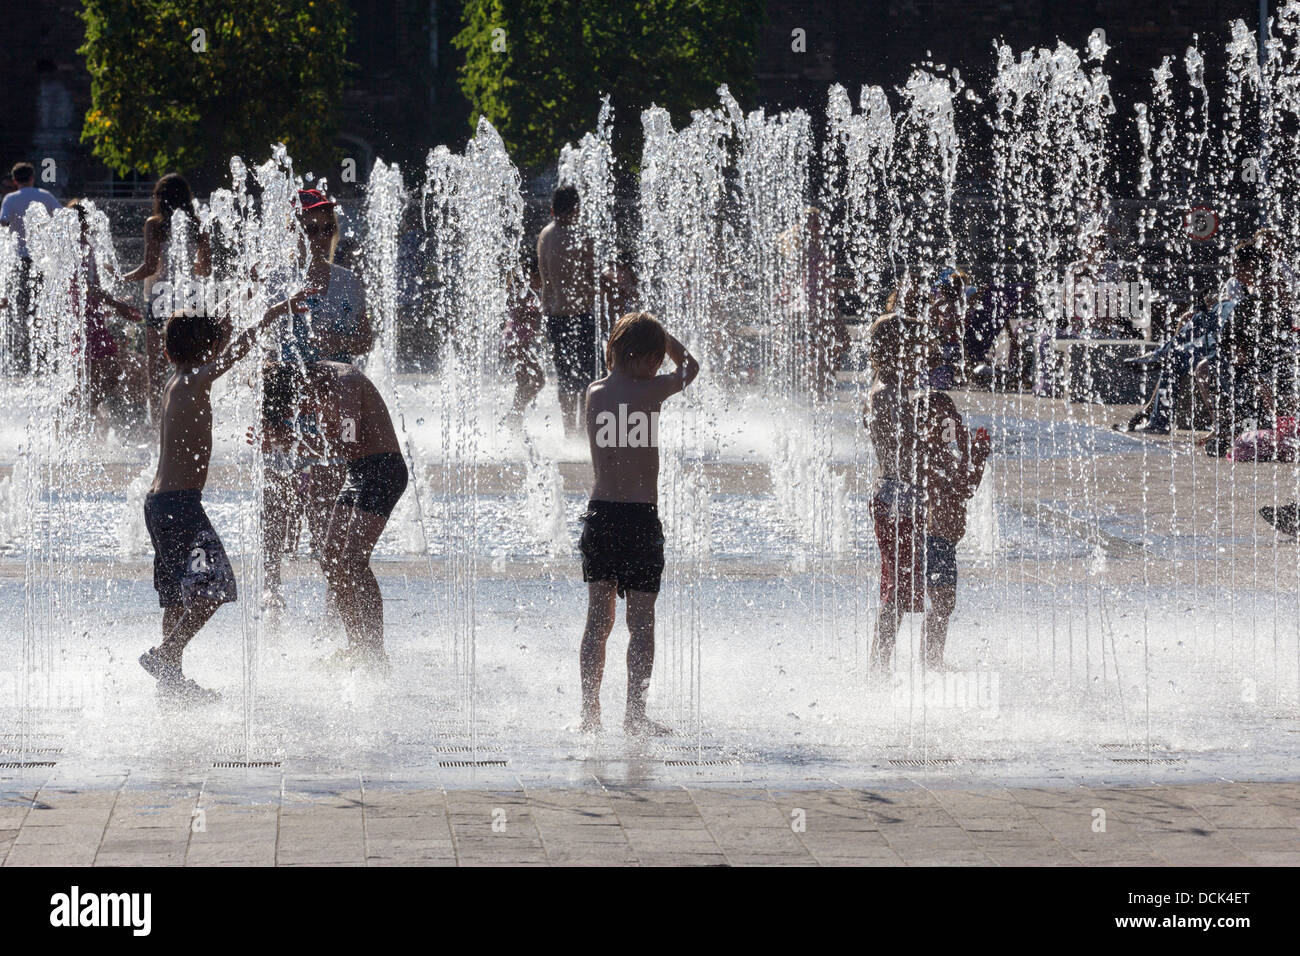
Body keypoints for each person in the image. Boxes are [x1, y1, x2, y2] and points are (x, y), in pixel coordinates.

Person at [137, 296, 305, 700]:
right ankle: (168, 653)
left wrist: (237, 304)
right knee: (217, 584)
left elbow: (224, 339)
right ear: (208, 350)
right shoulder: (195, 380)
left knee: (179, 592)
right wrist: (276, 311)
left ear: (166, 349)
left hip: (160, 505)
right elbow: (237, 350)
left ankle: (172, 682)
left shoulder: (176, 381)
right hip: (180, 507)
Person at [579, 311, 699, 735]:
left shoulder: (593, 392)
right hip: (640, 518)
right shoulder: (653, 391)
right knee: (641, 623)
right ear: (651, 357)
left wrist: (638, 344)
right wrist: (665, 337)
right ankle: (634, 714)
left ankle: (589, 714)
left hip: (601, 516)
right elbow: (691, 368)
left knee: (598, 620)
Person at [260, 188, 372, 610]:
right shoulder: (278, 281)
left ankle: (331, 582)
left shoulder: (346, 281)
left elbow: (366, 336)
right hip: (287, 398)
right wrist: (269, 404)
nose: (320, 236)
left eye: (327, 228)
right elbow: (264, 346)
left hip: (334, 404)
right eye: (311, 229)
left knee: (327, 496)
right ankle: (271, 581)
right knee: (278, 492)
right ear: (296, 232)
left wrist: (336, 339)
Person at [273, 361, 407, 668]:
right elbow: (335, 448)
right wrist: (285, 439)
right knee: (330, 559)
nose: (304, 408)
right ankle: (357, 644)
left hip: (383, 470)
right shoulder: (319, 385)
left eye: (301, 400)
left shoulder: (344, 382)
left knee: (354, 561)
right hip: (358, 472)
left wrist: (291, 440)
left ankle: (375, 652)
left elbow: (344, 443)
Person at [121, 173, 212, 420]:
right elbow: (206, 269)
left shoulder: (154, 224)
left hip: (159, 298)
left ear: (160, 197)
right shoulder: (199, 224)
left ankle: (158, 428)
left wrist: (122, 278)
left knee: (156, 368)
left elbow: (149, 267)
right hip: (190, 300)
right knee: (190, 364)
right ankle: (188, 418)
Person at [912, 390, 991, 668]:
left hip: (943, 539)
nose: (954, 421)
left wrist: (978, 457)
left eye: (954, 415)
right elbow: (955, 487)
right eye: (947, 416)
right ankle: (930, 661)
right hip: (933, 538)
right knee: (942, 602)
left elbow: (966, 490)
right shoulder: (925, 455)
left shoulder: (944, 454)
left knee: (944, 604)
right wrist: (971, 452)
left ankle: (932, 659)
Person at [864, 311, 924, 670]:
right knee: (898, 589)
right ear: (895, 350)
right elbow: (903, 447)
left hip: (897, 496)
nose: (917, 355)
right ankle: (879, 665)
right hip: (895, 498)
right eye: (912, 348)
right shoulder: (887, 394)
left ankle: (880, 663)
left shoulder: (888, 389)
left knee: (898, 586)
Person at [67, 200, 145, 418]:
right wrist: (117, 305)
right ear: (83, 221)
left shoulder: (81, 244)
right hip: (86, 320)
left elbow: (85, 290)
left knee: (96, 377)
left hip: (89, 318)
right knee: (109, 374)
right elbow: (88, 287)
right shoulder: (80, 246)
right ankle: (72, 413)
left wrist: (108, 305)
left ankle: (78, 414)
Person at [537, 184, 597, 435]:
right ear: (576, 208)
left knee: (565, 377)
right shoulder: (581, 235)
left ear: (553, 208)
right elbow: (590, 277)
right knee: (587, 378)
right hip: (581, 314)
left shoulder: (545, 235)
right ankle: (584, 431)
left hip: (554, 315)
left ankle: (569, 431)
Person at [0, 161, 61, 372]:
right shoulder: (45, 196)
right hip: (43, 260)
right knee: (42, 306)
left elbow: (3, 221)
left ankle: (24, 351)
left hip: (21, 260)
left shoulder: (10, 198)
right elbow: (62, 218)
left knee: (22, 306)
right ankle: (44, 350)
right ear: (33, 177)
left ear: (15, 180)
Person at [500, 253, 545, 426]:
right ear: (533, 275)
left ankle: (515, 420)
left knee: (524, 382)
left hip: (517, 341)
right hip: (515, 341)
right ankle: (514, 414)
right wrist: (537, 312)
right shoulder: (520, 291)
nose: (542, 281)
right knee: (539, 379)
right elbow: (519, 313)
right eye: (540, 277)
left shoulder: (526, 291)